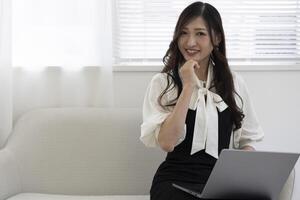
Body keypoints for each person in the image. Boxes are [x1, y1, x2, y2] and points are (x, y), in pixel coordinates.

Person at [140, 1, 264, 200]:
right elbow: (166, 142)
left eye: (200, 34)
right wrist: (188, 86)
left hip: (221, 183)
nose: (190, 42)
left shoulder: (234, 83)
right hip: (174, 182)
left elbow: (247, 141)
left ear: (216, 38)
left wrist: (243, 173)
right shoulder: (163, 83)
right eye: (184, 33)